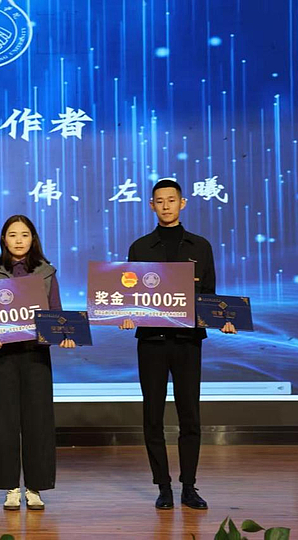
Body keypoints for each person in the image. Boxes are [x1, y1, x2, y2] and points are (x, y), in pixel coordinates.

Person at [119, 178, 236, 510]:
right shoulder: (140, 248)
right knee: (152, 416)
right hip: (151, 342)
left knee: (190, 416)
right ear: (151, 205)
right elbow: (130, 294)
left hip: (188, 342)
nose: (166, 206)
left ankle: (189, 486)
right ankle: (163, 487)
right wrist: (126, 314)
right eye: (160, 201)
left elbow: (209, 295)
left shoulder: (200, 246)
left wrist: (223, 318)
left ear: (182, 203)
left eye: (171, 200)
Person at [0, 215, 75, 511]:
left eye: (24, 234)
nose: (19, 240)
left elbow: (56, 311)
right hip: (2, 357)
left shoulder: (46, 271)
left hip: (36, 355)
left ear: (33, 239)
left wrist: (64, 335)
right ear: (3, 239)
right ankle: (10, 487)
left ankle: (35, 487)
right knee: (3, 422)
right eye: (12, 235)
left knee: (38, 421)